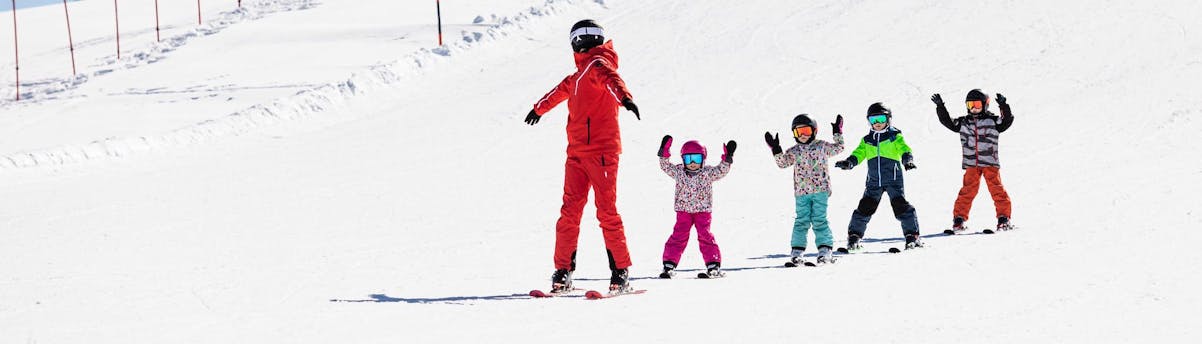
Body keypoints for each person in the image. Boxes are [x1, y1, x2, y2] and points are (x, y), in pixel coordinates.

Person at [523, 19, 641, 294]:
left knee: (606, 211)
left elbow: (613, 81)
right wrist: (538, 109)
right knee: (569, 212)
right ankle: (563, 272)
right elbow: (557, 92)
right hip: (576, 154)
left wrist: (625, 99)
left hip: (601, 153)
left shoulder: (598, 65)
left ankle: (620, 272)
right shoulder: (578, 75)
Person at [834, 103, 922, 250]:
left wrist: (907, 160)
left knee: (900, 207)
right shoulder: (867, 140)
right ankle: (854, 237)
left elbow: (904, 149)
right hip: (874, 182)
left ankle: (912, 236)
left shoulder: (894, 136)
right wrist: (849, 163)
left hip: (893, 179)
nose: (877, 123)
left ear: (888, 119)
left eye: (881, 119)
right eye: (873, 120)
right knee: (865, 208)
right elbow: (858, 153)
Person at [765, 114, 844, 265]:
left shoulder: (822, 146)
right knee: (801, 221)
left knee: (819, 220)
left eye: (806, 131)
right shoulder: (794, 151)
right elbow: (782, 163)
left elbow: (839, 148)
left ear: (814, 131)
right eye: (798, 132)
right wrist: (776, 149)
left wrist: (837, 133)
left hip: (820, 190)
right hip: (802, 193)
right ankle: (797, 252)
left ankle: (825, 251)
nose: (802, 135)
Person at [931, 89, 1015, 232]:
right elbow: (948, 122)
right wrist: (940, 106)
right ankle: (959, 220)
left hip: (989, 162)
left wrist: (1003, 105)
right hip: (972, 164)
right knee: (967, 192)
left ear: (985, 105)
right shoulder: (964, 122)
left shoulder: (993, 121)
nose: (974, 108)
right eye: (970, 105)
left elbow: (1007, 121)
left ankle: (1004, 219)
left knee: (997, 190)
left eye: (977, 105)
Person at [655, 136, 735, 279]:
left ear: (703, 159)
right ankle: (669, 264)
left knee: (705, 235)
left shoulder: (707, 173)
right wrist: (664, 152)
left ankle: (713, 264)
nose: (692, 163)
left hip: (702, 212)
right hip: (684, 211)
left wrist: (727, 158)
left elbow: (721, 171)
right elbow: (666, 166)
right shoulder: (679, 171)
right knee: (678, 236)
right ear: (683, 159)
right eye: (688, 159)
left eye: (696, 159)